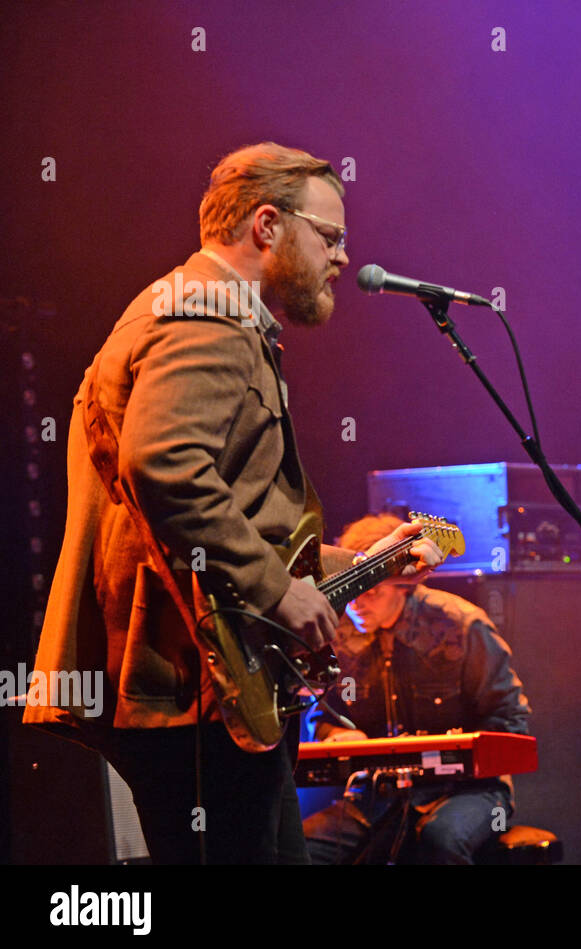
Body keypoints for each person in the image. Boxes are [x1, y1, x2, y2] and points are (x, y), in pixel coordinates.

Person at [24, 143, 443, 864]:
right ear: (267, 224)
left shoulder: (212, 312)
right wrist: (279, 589)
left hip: (213, 679)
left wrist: (358, 563)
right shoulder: (205, 312)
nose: (343, 257)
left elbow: (234, 512)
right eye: (330, 236)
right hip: (191, 682)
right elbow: (164, 465)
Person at [301, 513, 531, 865]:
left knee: (440, 840)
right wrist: (336, 735)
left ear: (403, 583)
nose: (357, 603)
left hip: (468, 791)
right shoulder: (340, 632)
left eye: (372, 591)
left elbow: (509, 719)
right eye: (353, 592)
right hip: (377, 795)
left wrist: (458, 753)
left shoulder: (462, 624)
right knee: (300, 847)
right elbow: (324, 714)